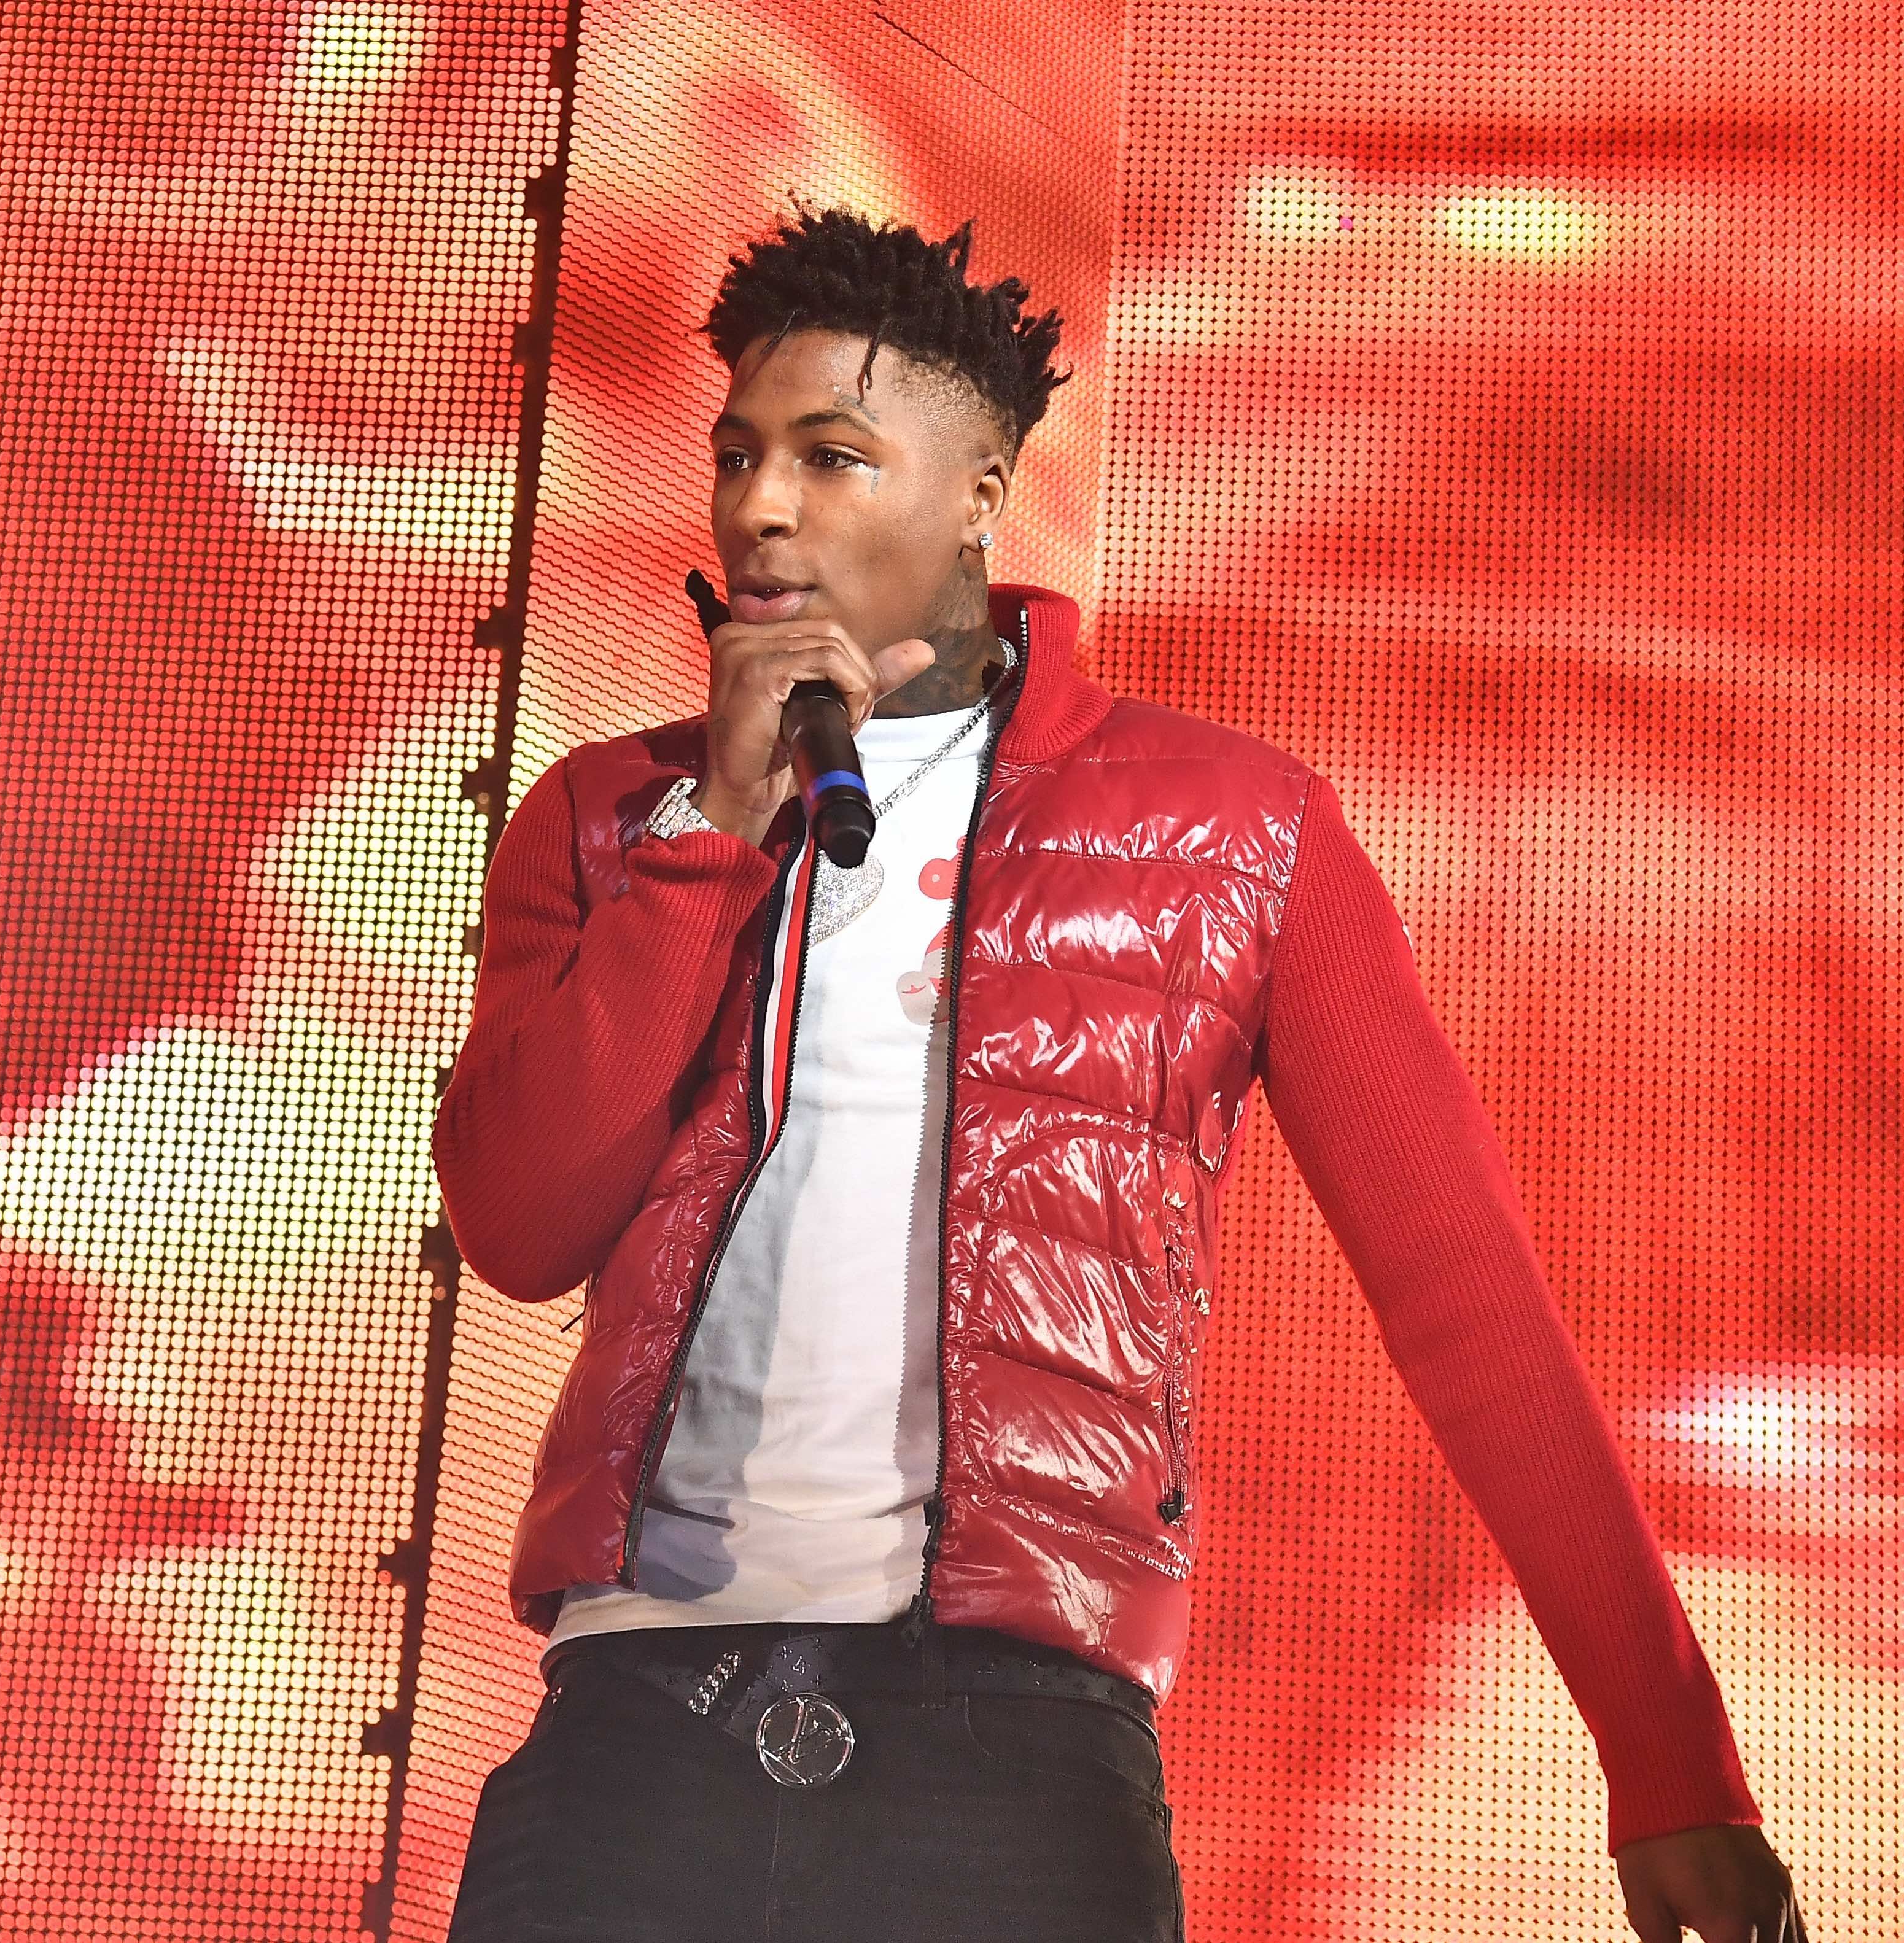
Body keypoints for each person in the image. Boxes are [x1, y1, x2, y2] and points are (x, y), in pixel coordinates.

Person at [434, 203, 1805, 1943]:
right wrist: (710, 833)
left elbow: (1467, 1299)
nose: (761, 507)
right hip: (637, 1733)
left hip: (1010, 1757)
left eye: (832, 457)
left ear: (979, 493)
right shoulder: (610, 813)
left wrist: (1669, 1759)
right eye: (737, 455)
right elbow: (519, 1222)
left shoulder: (1239, 828)